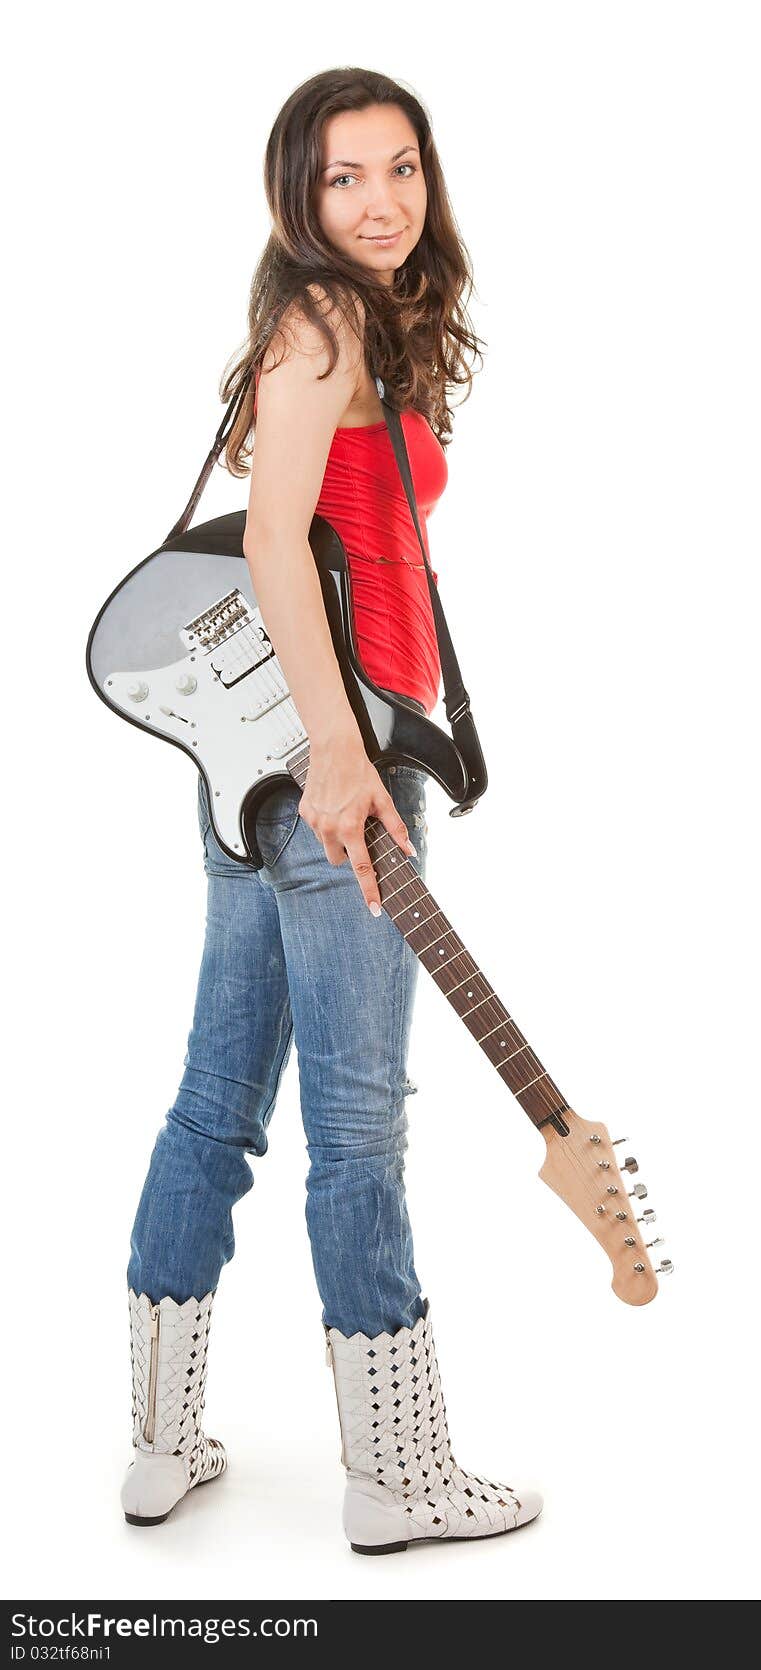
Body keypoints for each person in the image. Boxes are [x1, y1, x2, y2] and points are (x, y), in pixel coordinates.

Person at [120, 67, 542, 1555]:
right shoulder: (324, 321)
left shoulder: (335, 324)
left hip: (267, 763)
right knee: (357, 1127)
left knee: (213, 1102)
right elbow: (286, 557)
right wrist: (347, 754)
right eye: (344, 176)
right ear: (295, 191)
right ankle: (401, 1474)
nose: (378, 201)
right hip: (332, 760)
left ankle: (160, 1446)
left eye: (401, 169)